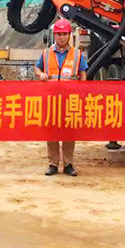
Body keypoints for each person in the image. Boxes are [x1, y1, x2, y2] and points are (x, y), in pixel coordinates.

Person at [35, 19, 87, 177]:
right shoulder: (46, 53)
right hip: (51, 100)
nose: (62, 37)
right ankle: (53, 163)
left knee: (69, 132)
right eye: (59, 34)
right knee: (52, 131)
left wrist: (82, 93)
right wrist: (40, 74)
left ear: (69, 35)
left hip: (70, 100)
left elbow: (82, 74)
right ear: (54, 35)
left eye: (64, 34)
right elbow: (37, 68)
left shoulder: (77, 54)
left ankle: (68, 164)